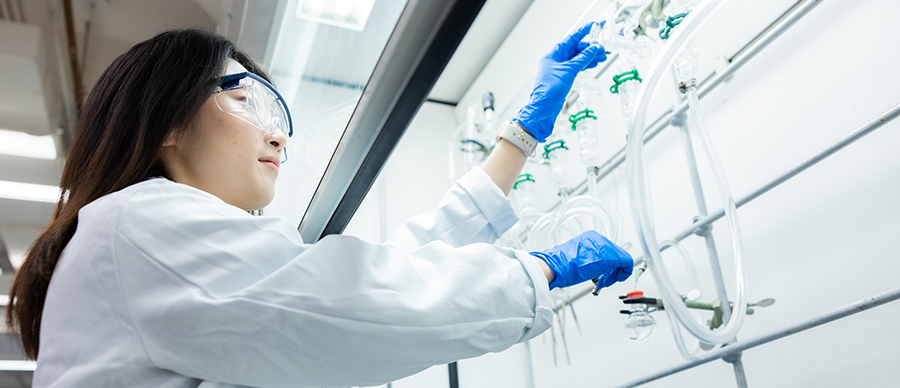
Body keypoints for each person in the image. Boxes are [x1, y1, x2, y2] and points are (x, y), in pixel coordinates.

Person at [7, 22, 632, 387]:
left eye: (277, 112)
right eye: (246, 100)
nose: (277, 133)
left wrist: (519, 139)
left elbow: (366, 275)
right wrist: (539, 268)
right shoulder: (140, 222)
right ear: (164, 121)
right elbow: (357, 301)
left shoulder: (140, 236)